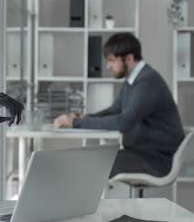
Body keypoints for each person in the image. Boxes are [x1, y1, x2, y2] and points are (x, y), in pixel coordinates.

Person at [53, 32, 185, 178]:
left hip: (157, 160)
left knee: (91, 164)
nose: (108, 66)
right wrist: (86, 117)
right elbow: (114, 111)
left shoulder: (147, 82)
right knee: (88, 160)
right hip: (141, 154)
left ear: (129, 58)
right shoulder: (134, 80)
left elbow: (124, 122)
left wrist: (76, 123)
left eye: (111, 60)